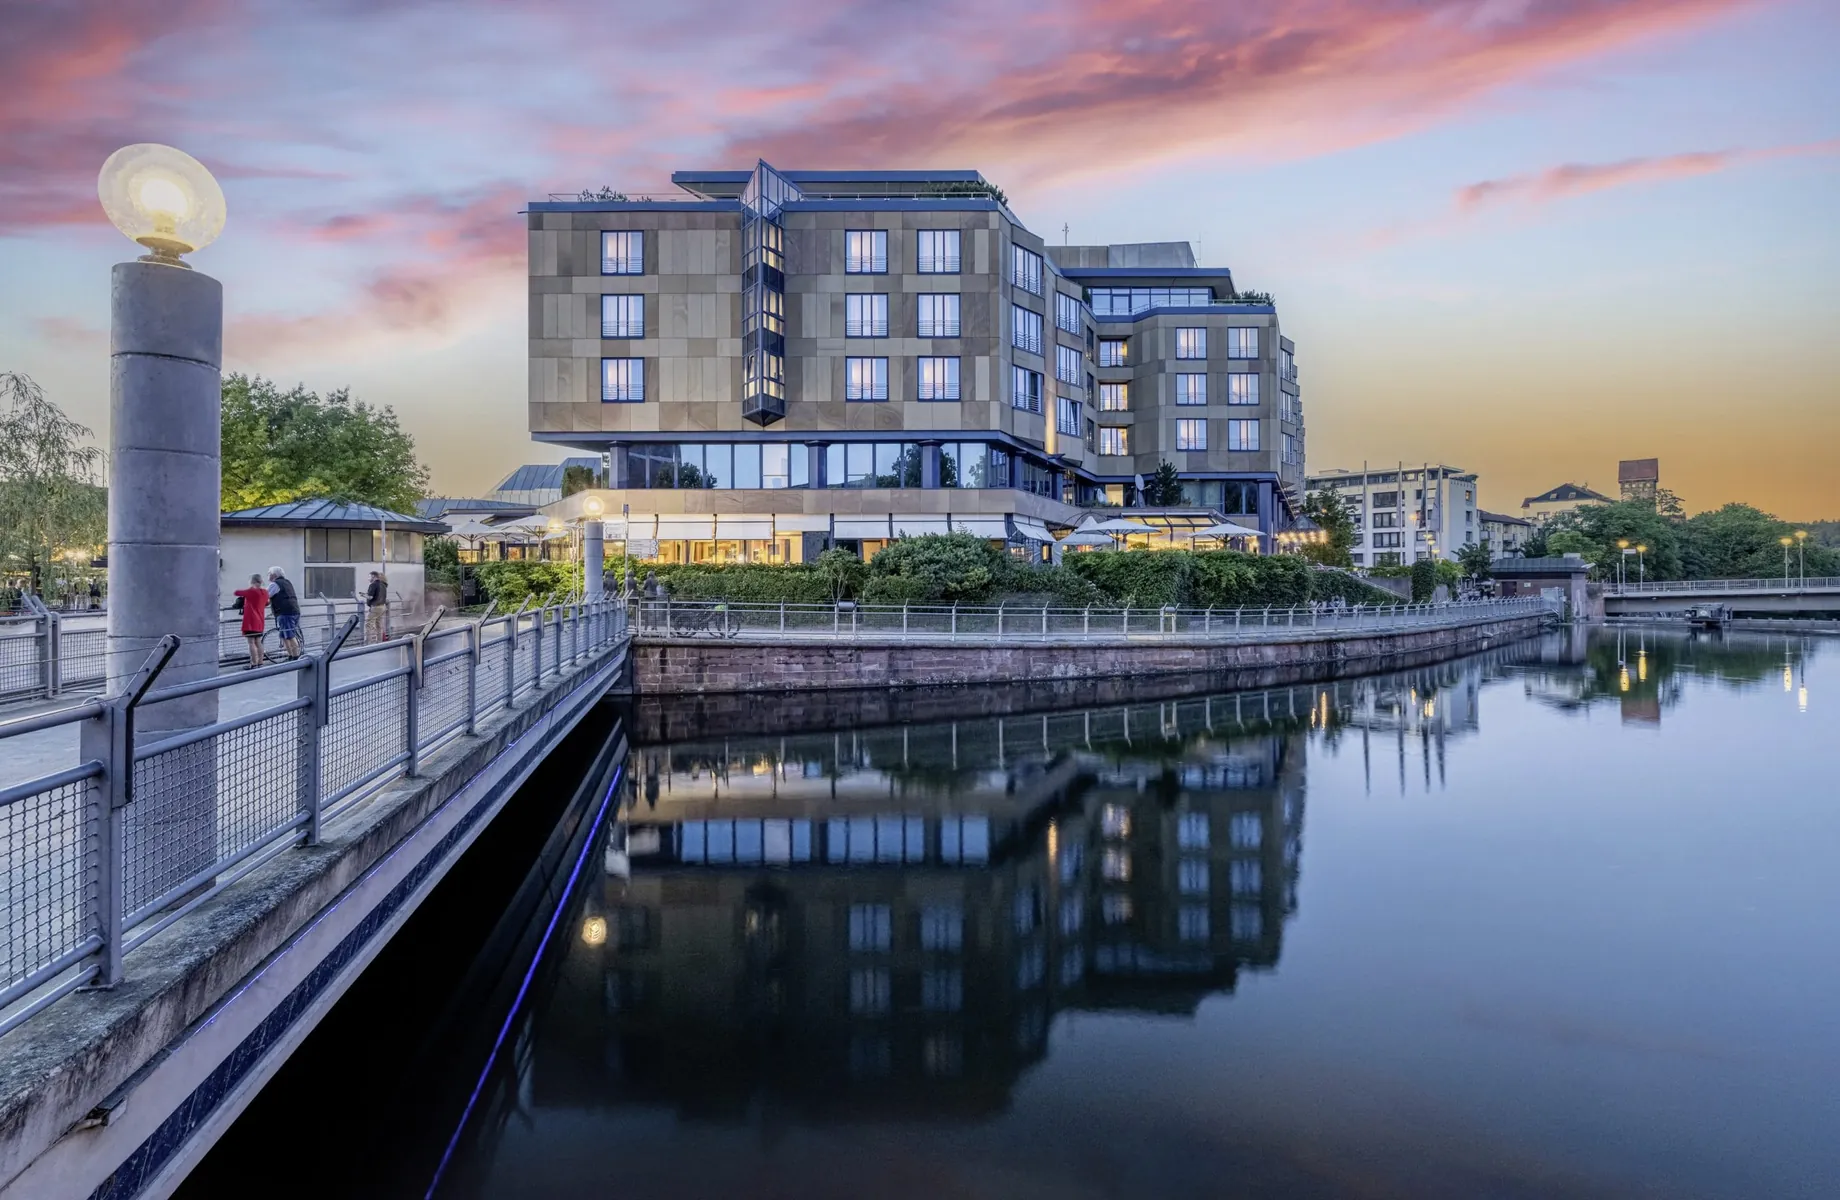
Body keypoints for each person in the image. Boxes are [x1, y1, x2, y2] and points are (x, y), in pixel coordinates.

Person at [231, 573, 269, 667]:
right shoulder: (264, 592)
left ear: (253, 581)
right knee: (258, 642)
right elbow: (267, 603)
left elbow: (236, 592)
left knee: (251, 642)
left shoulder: (251, 591)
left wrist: (250, 588)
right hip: (260, 621)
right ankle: (260, 662)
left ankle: (253, 663)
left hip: (250, 621)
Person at [267, 567, 303, 659]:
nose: (268, 575)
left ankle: (295, 657)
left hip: (285, 613)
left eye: (269, 573)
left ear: (274, 575)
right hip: (294, 610)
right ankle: (290, 655)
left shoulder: (275, 584)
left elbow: (264, 596)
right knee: (284, 635)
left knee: (289, 635)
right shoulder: (287, 582)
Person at [365, 570, 389, 643]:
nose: (369, 579)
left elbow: (370, 597)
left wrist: (364, 595)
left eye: (369, 576)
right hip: (382, 606)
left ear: (373, 576)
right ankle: (379, 641)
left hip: (375, 607)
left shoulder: (373, 585)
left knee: (369, 624)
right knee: (379, 624)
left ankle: (368, 642)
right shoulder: (383, 585)